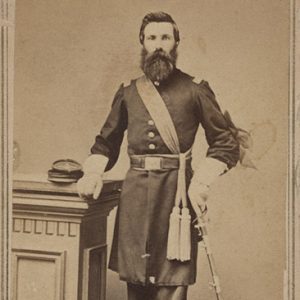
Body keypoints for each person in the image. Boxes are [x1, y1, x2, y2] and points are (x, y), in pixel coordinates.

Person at [77, 11, 240, 300]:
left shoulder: (195, 89)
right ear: (143, 43)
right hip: (135, 200)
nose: (159, 44)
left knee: (171, 281)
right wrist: (92, 172)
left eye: (165, 37)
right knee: (136, 279)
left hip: (175, 198)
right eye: (152, 38)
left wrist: (201, 182)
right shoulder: (128, 91)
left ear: (176, 42)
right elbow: (107, 142)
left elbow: (225, 141)